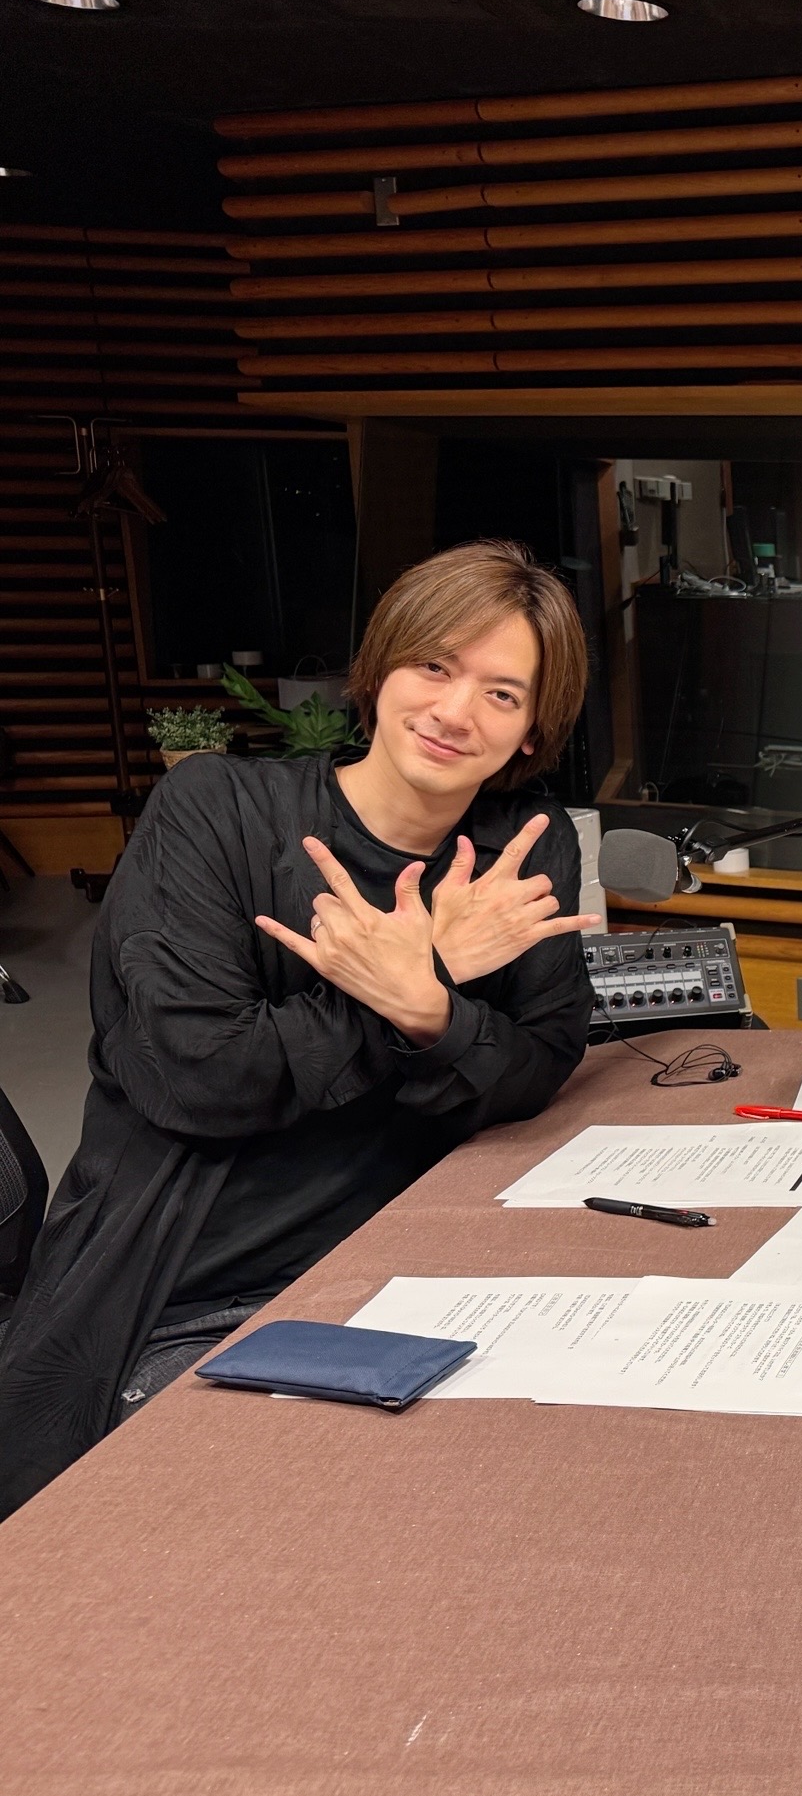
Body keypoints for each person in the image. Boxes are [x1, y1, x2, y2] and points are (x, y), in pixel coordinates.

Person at [0, 540, 601, 1515]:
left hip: (407, 1262)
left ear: (534, 730)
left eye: (502, 693)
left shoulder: (519, 845)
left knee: (570, 1469)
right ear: (382, 668)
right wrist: (428, 967)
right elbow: (200, 1076)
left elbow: (540, 1063)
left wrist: (428, 1006)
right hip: (197, 1287)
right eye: (434, 665)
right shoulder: (217, 811)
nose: (455, 711)